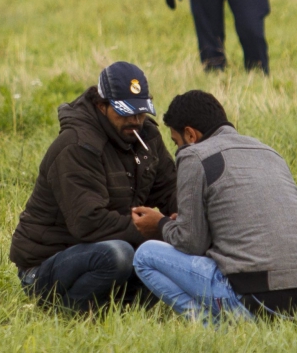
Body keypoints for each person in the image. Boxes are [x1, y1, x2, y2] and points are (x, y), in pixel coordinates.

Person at [132, 90, 297, 322]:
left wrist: (160, 224)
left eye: (176, 142)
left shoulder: (194, 155)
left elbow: (191, 242)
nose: (177, 149)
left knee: (144, 256)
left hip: (257, 300)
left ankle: (213, 327)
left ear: (190, 134)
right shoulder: (269, 152)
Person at [9, 61, 177, 312]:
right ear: (101, 105)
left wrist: (185, 221)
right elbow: (88, 223)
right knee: (119, 254)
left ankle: (120, 312)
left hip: (108, 245)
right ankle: (66, 312)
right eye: (125, 112)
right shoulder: (77, 146)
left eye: (141, 112)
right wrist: (157, 228)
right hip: (48, 263)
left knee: (174, 251)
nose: (136, 121)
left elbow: (171, 190)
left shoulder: (147, 137)